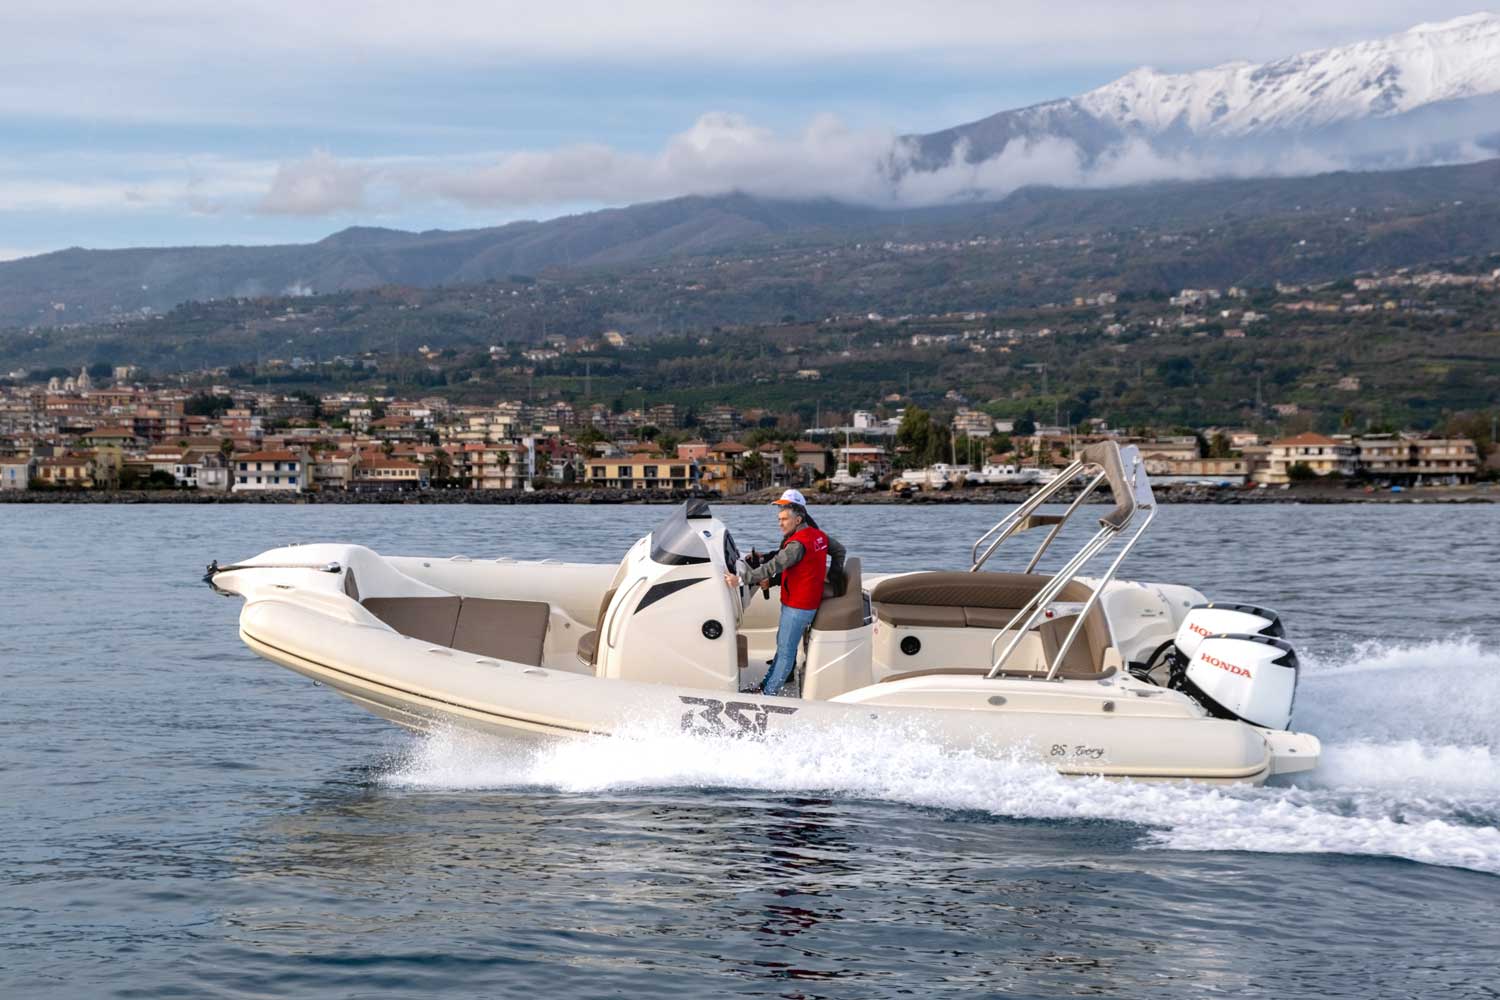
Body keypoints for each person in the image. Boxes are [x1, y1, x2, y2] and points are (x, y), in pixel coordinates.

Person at [723, 489, 846, 696]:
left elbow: (773, 566)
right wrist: (834, 576)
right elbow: (839, 550)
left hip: (798, 606)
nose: (780, 523)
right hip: (802, 601)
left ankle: (768, 694)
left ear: (798, 520)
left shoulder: (797, 544)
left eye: (784, 519)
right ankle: (765, 686)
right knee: (782, 648)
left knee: (786, 653)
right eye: (779, 519)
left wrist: (741, 579)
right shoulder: (818, 536)